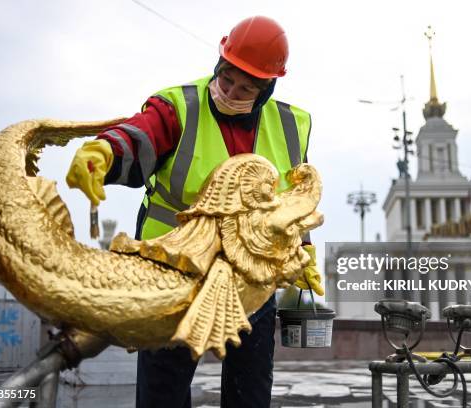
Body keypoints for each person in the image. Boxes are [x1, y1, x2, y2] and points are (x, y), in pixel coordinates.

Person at [66, 16, 324, 408]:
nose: (231, 91)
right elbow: (140, 135)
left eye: (246, 87)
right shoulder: (179, 106)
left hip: (250, 280)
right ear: (219, 63)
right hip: (172, 271)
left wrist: (303, 249)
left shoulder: (291, 125)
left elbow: (292, 201)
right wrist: (106, 150)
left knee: (250, 390)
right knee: (163, 392)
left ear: (268, 88)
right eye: (226, 78)